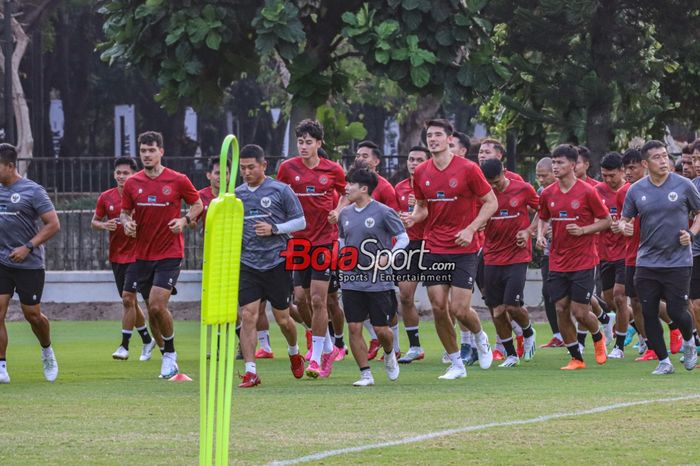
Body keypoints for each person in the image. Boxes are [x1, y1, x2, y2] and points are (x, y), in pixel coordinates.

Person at [401, 118, 497, 380]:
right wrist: (413, 217)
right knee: (438, 306)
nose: (432, 139)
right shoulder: (421, 172)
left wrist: (471, 228)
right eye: (429, 135)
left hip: (465, 248)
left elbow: (491, 202)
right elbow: (423, 208)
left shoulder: (468, 169)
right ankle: (456, 363)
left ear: (449, 139)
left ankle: (479, 336)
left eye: (437, 135)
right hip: (434, 246)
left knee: (459, 309)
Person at [121, 131, 203, 379]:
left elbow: (198, 204)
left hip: (170, 252)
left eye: (151, 150)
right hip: (142, 254)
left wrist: (184, 219)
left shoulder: (178, 180)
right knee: (150, 307)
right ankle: (164, 354)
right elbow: (125, 212)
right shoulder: (132, 183)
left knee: (157, 304)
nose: (147, 155)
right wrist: (126, 223)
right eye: (143, 151)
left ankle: (170, 354)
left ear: (161, 152)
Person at [620, 140, 700, 374]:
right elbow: (625, 219)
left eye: (665, 156)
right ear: (646, 163)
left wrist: (691, 234)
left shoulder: (684, 185)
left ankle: (689, 341)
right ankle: (664, 361)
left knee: (676, 310)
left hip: (678, 261)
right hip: (646, 262)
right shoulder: (636, 190)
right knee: (648, 311)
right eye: (657, 157)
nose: (663, 160)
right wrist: (624, 226)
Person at [276, 119, 348, 378]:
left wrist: (338, 211)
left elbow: (348, 192)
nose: (304, 146)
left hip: (325, 241)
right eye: (300, 142)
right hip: (297, 242)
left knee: (319, 299)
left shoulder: (333, 169)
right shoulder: (287, 168)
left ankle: (316, 359)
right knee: (300, 299)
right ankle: (327, 344)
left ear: (319, 143)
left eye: (309, 142)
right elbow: (278, 195)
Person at [235, 145, 307, 387]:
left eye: (251, 167)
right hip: (247, 263)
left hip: (277, 262)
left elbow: (301, 221)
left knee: (283, 318)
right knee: (248, 315)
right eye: (242, 168)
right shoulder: (236, 195)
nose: (246, 172)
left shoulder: (281, 190)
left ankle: (294, 352)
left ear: (263, 165)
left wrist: (275, 228)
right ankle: (251, 371)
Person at [537, 144, 611, 370]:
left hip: (584, 259)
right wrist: (540, 235)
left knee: (580, 312)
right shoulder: (548, 193)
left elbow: (606, 220)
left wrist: (583, 230)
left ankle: (598, 336)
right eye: (554, 162)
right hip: (558, 259)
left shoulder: (588, 192)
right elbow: (543, 217)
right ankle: (576, 358)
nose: (555, 166)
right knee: (560, 307)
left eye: (559, 162)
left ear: (572, 164)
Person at [338, 167, 407, 386]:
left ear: (364, 188)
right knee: (354, 327)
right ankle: (365, 374)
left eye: (351, 184)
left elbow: (403, 238)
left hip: (379, 280)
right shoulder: (345, 214)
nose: (346, 188)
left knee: (381, 330)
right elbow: (342, 241)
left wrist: (389, 256)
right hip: (351, 280)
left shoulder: (384, 212)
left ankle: (389, 353)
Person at [0, 143, 60, 383]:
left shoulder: (33, 191)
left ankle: (47, 349)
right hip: (2, 262)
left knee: (32, 315)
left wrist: (27, 247)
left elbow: (53, 224)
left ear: (10, 166)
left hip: (29, 264)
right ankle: (1, 366)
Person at [92, 156, 156, 361]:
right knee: (129, 301)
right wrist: (104, 225)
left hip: (137, 255)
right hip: (116, 256)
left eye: (125, 173)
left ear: (134, 175)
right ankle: (147, 339)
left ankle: (124, 346)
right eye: (118, 172)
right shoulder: (106, 197)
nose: (121, 176)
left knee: (128, 298)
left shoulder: (142, 196)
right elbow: (94, 222)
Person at [480, 159, 539, 367]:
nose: (493, 186)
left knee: (512, 306)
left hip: (517, 256)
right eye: (490, 183)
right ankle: (511, 354)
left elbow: (543, 211)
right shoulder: (483, 194)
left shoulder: (523, 189)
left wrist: (529, 231)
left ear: (505, 171)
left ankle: (529, 331)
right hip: (492, 257)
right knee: (497, 311)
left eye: (496, 181)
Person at [354, 140, 399, 359]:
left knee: (387, 308)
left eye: (364, 155)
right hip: (355, 259)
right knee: (355, 304)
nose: (359, 158)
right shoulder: (352, 186)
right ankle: (375, 338)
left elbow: (395, 222)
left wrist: (387, 256)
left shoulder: (386, 188)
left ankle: (395, 346)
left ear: (376, 161)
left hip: (381, 259)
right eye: (358, 155)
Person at [394, 146, 430, 363]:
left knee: (442, 301)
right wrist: (402, 216)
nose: (413, 163)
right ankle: (415, 346)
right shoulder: (398, 188)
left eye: (418, 159)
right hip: (410, 246)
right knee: (405, 296)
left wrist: (420, 208)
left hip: (434, 243)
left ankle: (459, 345)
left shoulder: (433, 184)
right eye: (410, 158)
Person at [595, 152, 631, 358]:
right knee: (609, 300)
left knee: (619, 296)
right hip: (604, 253)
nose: (608, 180)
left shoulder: (631, 191)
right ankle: (637, 326)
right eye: (604, 176)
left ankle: (619, 346)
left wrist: (626, 226)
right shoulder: (596, 191)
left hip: (625, 253)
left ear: (622, 171)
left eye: (612, 176)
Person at [535, 157, 563, 348]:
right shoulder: (541, 193)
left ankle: (602, 319)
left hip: (573, 252)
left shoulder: (576, 190)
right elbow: (541, 216)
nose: (540, 180)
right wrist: (539, 234)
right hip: (549, 250)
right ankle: (559, 335)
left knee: (574, 297)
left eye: (544, 176)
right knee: (548, 291)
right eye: (538, 176)